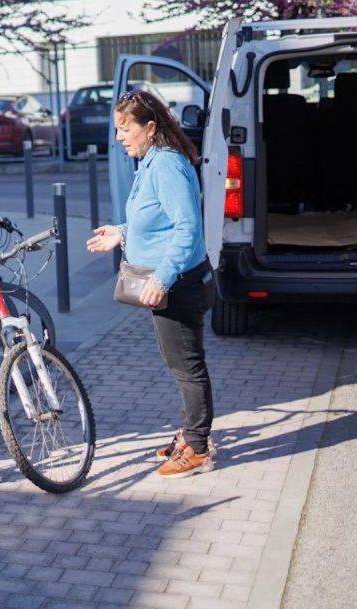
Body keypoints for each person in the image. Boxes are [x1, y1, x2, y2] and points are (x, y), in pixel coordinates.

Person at [86, 89, 216, 478]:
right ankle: (191, 434)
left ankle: (196, 448)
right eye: (117, 130)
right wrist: (122, 233)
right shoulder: (151, 162)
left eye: (126, 129)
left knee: (187, 366)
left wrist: (162, 277)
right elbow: (156, 220)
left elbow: (188, 228)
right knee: (180, 363)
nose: (120, 137)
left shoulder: (166, 166)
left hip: (176, 284)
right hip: (170, 283)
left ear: (150, 127)